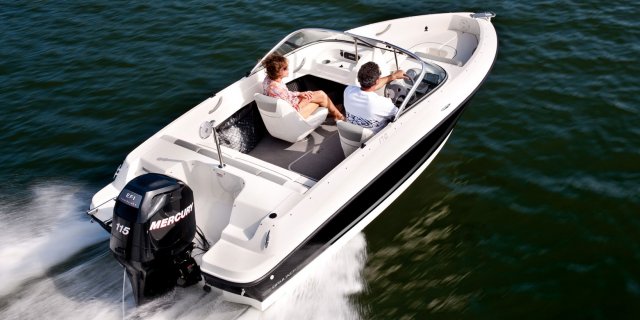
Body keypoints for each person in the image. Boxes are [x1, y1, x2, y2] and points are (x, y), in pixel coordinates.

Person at [262, 53, 345, 120]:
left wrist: (299, 94)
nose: (288, 69)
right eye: (285, 68)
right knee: (319, 97)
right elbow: (292, 111)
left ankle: (333, 112)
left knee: (318, 94)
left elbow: (286, 95)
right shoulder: (277, 89)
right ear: (277, 72)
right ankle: (335, 114)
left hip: (288, 108)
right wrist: (305, 101)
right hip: (293, 116)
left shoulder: (268, 80)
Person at [343, 62, 405, 133]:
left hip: (352, 135)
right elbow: (400, 115)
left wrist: (393, 76)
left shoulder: (348, 90)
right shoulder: (383, 103)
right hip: (373, 139)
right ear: (377, 81)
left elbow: (367, 88)